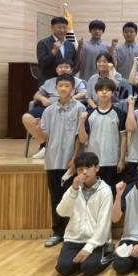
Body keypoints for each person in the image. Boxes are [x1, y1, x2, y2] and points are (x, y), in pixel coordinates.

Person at [31, 74, 86, 248]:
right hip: (52, 161)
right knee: (56, 197)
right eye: (60, 86)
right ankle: (57, 232)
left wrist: (74, 159)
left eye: (67, 86)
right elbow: (43, 137)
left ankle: (73, 232)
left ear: (73, 89)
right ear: (55, 89)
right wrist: (36, 128)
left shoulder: (79, 108)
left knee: (73, 197)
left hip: (70, 162)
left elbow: (79, 137)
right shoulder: (48, 111)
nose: (63, 88)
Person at [54, 152, 113, 276]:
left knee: (88, 268)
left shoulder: (105, 191)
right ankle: (77, 261)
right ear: (76, 171)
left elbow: (103, 224)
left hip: (96, 241)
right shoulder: (74, 188)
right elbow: (61, 212)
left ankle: (108, 253)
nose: (84, 172)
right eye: (80, 169)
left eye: (88, 167)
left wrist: (88, 248)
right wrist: (73, 190)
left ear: (97, 168)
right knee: (63, 268)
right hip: (73, 239)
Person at [22, 60, 87, 159]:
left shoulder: (77, 81)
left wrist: (71, 98)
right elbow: (36, 95)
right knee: (27, 117)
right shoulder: (49, 82)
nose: (63, 69)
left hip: (69, 108)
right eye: (60, 67)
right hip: (48, 108)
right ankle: (45, 145)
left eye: (66, 67)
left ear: (71, 69)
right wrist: (43, 98)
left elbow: (84, 93)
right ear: (56, 69)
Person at [78, 77, 127, 193]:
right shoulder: (89, 115)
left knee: (110, 194)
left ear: (113, 93)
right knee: (92, 195)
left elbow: (124, 138)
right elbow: (83, 139)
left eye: (107, 90)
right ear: (96, 93)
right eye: (101, 90)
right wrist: (81, 122)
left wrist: (121, 160)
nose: (104, 92)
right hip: (93, 164)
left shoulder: (120, 114)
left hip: (112, 162)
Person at [36, 16, 77, 84]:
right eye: (59, 27)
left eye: (64, 28)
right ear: (52, 28)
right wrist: (53, 51)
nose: (62, 30)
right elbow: (42, 64)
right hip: (49, 82)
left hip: (67, 82)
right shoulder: (43, 43)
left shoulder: (70, 45)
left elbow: (74, 64)